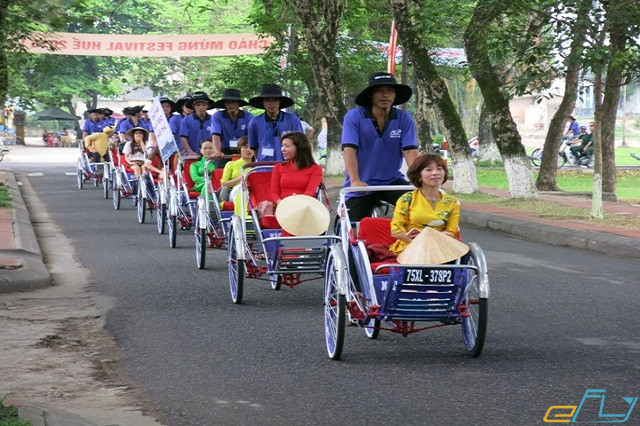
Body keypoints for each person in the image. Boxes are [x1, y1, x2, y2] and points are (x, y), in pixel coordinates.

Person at [341, 72, 419, 222]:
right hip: (362, 183)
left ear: (395, 96)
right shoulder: (354, 116)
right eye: (379, 91)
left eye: (390, 91)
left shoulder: (404, 118)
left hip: (391, 181)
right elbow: (349, 149)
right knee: (353, 227)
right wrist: (355, 180)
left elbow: (410, 150)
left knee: (418, 206)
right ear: (371, 95)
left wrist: (419, 179)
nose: (385, 95)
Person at [389, 154, 460, 255]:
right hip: (411, 247)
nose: (435, 173)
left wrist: (435, 241)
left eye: (439, 169)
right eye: (429, 169)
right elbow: (396, 230)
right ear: (418, 176)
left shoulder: (452, 202)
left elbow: (452, 232)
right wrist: (422, 242)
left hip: (440, 247)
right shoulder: (407, 199)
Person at [261, 131, 322, 230]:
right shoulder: (278, 168)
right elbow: (274, 193)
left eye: (287, 146)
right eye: (282, 146)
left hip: (304, 208)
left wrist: (296, 202)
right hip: (283, 208)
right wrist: (282, 203)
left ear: (299, 148)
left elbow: (310, 192)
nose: (282, 149)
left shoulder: (315, 169)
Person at [247, 84, 303, 161]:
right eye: (267, 100)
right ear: (262, 102)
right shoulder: (255, 122)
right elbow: (254, 147)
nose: (271, 103)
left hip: (288, 165)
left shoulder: (292, 119)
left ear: (280, 102)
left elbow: (300, 144)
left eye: (275, 100)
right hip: (264, 166)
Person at [210, 88, 254, 168]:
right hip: (224, 150)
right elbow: (216, 135)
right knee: (220, 172)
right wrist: (217, 152)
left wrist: (247, 150)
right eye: (228, 102)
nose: (231, 105)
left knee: (247, 171)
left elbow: (251, 136)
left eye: (233, 102)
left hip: (243, 149)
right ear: (224, 104)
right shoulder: (217, 116)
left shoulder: (248, 116)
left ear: (238, 103)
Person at [219, 136, 254, 202]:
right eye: (245, 147)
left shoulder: (258, 165)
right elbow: (223, 184)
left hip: (253, 192)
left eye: (251, 147)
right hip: (236, 191)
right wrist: (241, 178)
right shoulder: (231, 164)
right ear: (239, 149)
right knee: (242, 188)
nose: (249, 149)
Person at [179, 91, 214, 157]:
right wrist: (190, 152)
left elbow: (218, 137)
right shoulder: (186, 120)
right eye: (198, 105)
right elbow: (183, 138)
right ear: (193, 106)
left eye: (203, 105)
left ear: (208, 106)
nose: (201, 107)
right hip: (192, 155)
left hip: (210, 155)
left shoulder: (213, 119)